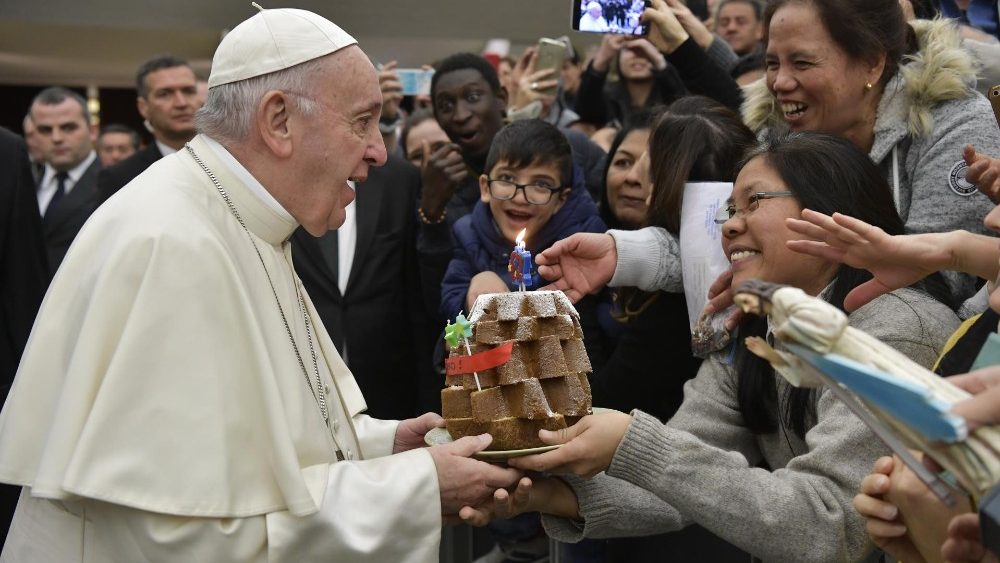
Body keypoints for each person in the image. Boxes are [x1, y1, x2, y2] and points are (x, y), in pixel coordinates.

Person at [0, 8, 520, 561]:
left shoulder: (243, 219)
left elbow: (256, 448)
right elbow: (177, 534)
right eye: (362, 121)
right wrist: (414, 489)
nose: (379, 150)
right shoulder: (173, 245)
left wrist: (384, 449)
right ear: (278, 121)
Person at [463, 132, 960, 562]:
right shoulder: (754, 328)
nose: (730, 226)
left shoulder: (895, 330)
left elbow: (832, 523)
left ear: (830, 212)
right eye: (729, 209)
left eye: (754, 202)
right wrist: (550, 496)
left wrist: (632, 442)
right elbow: (685, 484)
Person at [742, 0, 1000, 304]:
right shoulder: (773, 132)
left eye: (802, 63)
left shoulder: (952, 121)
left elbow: (939, 285)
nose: (780, 82)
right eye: (772, 64)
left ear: (872, 64)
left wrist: (780, 283)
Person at [593, 99, 755, 562]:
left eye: (648, 165)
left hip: (681, 515)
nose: (635, 179)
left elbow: (613, 396)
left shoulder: (697, 303)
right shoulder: (685, 271)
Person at [97, 54, 199, 202]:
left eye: (188, 91)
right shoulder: (121, 178)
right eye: (165, 94)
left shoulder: (233, 158)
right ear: (143, 107)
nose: (181, 103)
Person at [29, 86, 101, 274]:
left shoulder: (116, 184)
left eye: (68, 127)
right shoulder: (24, 183)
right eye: (45, 130)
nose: (57, 138)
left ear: (92, 131)